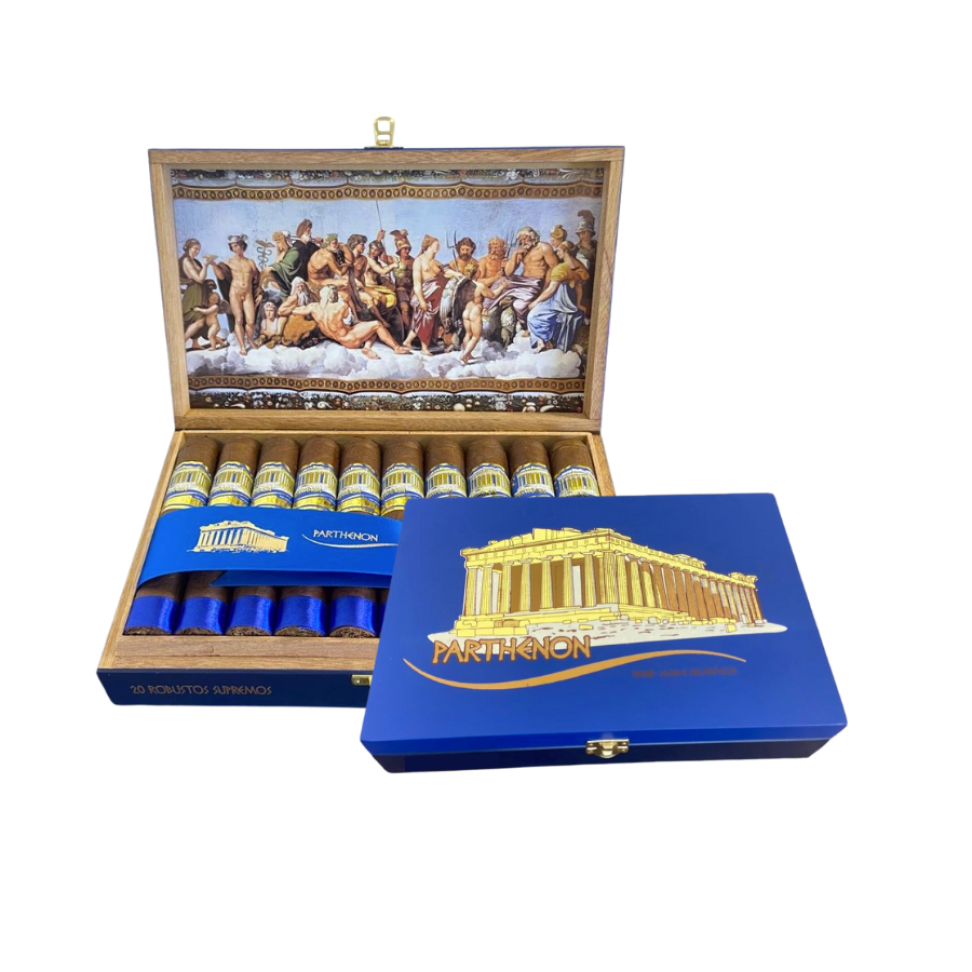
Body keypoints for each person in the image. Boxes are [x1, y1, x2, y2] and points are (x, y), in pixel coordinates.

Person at [284, 285, 412, 359]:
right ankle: (396, 348)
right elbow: (350, 320)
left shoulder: (313, 307)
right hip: (350, 340)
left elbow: (286, 310)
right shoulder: (341, 306)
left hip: (338, 338)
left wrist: (294, 297)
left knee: (368, 326)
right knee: (376, 324)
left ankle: (367, 349)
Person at [483, 226, 558, 335]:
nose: (523, 241)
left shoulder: (544, 247)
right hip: (521, 280)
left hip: (534, 283)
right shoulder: (522, 250)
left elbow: (554, 268)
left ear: (533, 236)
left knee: (519, 305)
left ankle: (525, 326)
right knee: (502, 280)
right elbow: (508, 272)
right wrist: (515, 254)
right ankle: (485, 307)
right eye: (521, 240)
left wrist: (544, 288)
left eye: (525, 238)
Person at [525, 240, 589, 352]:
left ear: (565, 251)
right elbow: (579, 287)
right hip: (569, 303)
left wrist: (536, 302)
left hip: (558, 303)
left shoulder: (561, 269)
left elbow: (551, 290)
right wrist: (578, 304)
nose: (557, 253)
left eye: (558, 250)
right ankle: (545, 342)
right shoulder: (579, 267)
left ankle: (543, 341)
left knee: (532, 317)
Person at [403, 236, 463, 356]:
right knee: (425, 317)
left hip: (435, 298)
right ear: (428, 245)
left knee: (424, 319)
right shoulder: (419, 261)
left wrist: (456, 274)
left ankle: (407, 341)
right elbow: (417, 284)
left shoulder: (437, 263)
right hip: (423, 295)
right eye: (436, 245)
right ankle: (424, 348)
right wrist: (421, 301)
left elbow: (446, 272)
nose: (438, 247)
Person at [215, 235, 261, 356]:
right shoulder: (228, 262)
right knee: (239, 319)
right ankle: (242, 346)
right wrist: (213, 264)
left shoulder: (250, 262)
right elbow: (221, 276)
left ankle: (249, 339)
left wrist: (260, 293)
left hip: (248, 293)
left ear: (242, 245)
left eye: (236, 245)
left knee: (250, 321)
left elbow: (258, 279)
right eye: (232, 246)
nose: (234, 248)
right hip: (235, 292)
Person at [459, 279, 504, 365]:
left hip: (466, 311)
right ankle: (464, 355)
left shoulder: (464, 286)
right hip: (475, 312)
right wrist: (502, 287)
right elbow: (493, 295)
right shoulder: (480, 286)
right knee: (476, 337)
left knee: (468, 334)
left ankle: (468, 354)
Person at [179, 239, 216, 331]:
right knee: (198, 320)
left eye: (199, 249)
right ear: (189, 248)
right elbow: (199, 279)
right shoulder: (186, 261)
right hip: (193, 293)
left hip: (200, 292)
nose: (197, 251)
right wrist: (205, 266)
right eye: (195, 248)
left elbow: (201, 277)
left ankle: (191, 339)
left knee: (202, 319)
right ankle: (183, 338)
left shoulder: (195, 261)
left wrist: (206, 266)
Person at [389, 230, 414, 331]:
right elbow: (381, 255)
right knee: (405, 308)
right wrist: (379, 240)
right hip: (401, 290)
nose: (407, 251)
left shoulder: (413, 261)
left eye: (408, 249)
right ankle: (408, 331)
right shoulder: (393, 260)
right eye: (404, 249)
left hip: (413, 290)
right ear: (399, 250)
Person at [575, 210, 597, 314]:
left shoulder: (597, 245)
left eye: (584, 233)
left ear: (590, 233)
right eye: (580, 233)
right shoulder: (576, 249)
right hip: (584, 280)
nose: (581, 236)